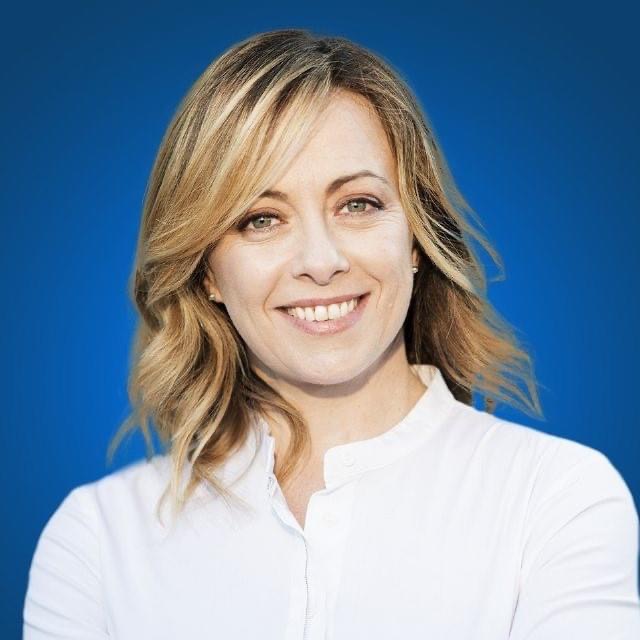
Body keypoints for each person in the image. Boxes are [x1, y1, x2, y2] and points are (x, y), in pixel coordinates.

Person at [23, 28, 640, 639]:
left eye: (358, 204)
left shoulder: (556, 500)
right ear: (207, 270)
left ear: (416, 237)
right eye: (261, 219)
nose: (320, 262)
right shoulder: (97, 543)